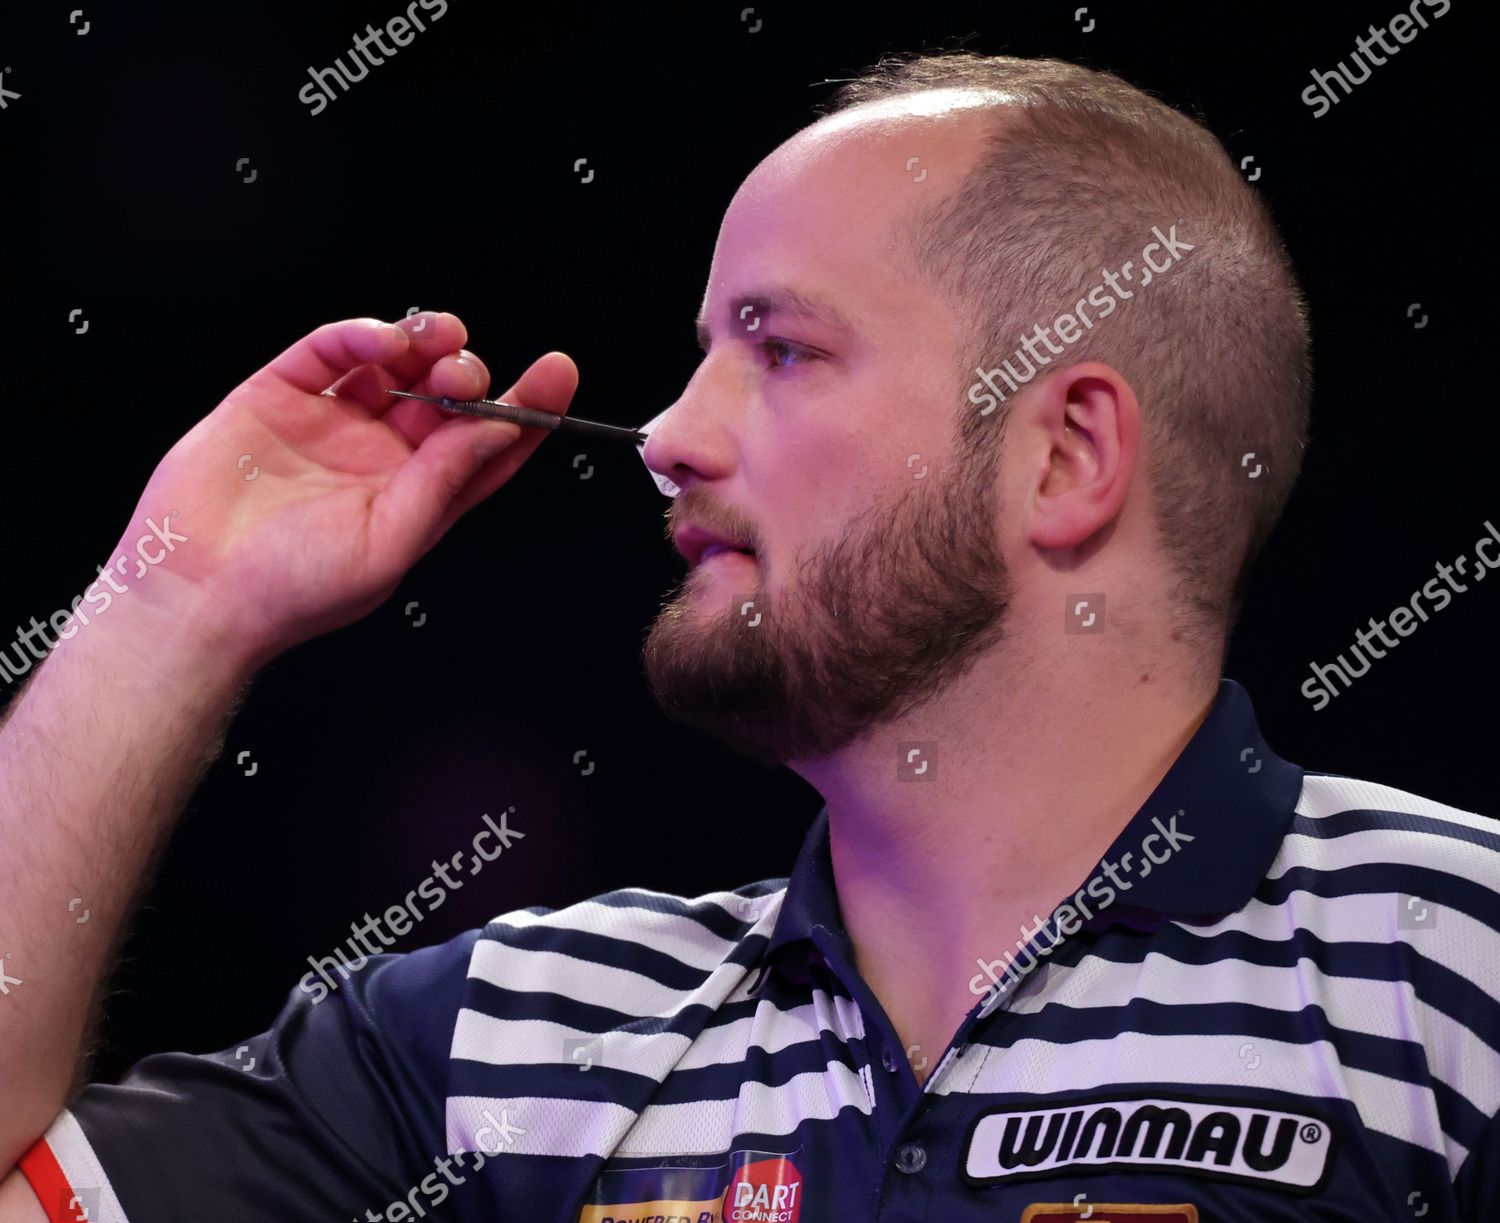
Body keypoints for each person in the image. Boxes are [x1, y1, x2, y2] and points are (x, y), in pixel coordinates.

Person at [1, 50, 1495, 1222]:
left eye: (781, 350)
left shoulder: (1455, 974)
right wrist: (169, 605)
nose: (664, 435)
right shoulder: (509, 1047)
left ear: (1064, 455)